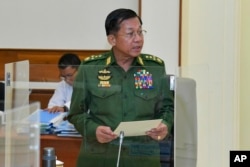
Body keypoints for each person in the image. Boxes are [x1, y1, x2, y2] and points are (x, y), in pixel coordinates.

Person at [68, 8, 174, 167]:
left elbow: (168, 107)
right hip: (101, 157)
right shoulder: (91, 68)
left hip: (142, 157)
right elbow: (76, 113)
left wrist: (165, 124)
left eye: (140, 32)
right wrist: (93, 130)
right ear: (112, 39)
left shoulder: (154, 67)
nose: (138, 39)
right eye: (130, 34)